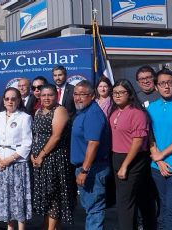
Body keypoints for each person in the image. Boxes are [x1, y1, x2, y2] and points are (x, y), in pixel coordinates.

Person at [109, 79, 155, 229]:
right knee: (129, 200)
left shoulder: (137, 113)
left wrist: (125, 166)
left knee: (124, 203)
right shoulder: (115, 111)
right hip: (117, 156)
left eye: (121, 92)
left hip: (132, 159)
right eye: (115, 93)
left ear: (129, 94)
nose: (117, 96)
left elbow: (138, 142)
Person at [30, 85, 76, 229]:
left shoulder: (60, 110)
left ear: (56, 96)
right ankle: (48, 226)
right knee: (46, 195)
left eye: (50, 95)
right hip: (39, 159)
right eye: (43, 95)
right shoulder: (38, 111)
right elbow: (36, 135)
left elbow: (56, 137)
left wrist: (41, 155)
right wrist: (33, 154)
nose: (46, 98)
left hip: (54, 159)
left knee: (55, 195)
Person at [148, 68, 172, 230]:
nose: (167, 86)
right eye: (162, 83)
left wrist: (161, 155)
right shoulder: (151, 107)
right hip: (156, 166)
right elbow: (149, 136)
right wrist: (157, 159)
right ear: (156, 87)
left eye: (170, 82)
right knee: (163, 208)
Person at [70, 80, 110, 230]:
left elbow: (93, 143)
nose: (78, 98)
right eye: (76, 94)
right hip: (86, 168)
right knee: (91, 209)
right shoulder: (83, 112)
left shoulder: (93, 114)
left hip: (93, 169)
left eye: (83, 94)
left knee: (94, 210)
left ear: (92, 96)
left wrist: (85, 170)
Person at [0, 87, 32, 230]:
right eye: (7, 98)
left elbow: (27, 143)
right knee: (7, 200)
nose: (10, 101)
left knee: (18, 199)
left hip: (17, 165)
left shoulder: (24, 117)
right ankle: (10, 227)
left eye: (13, 98)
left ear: (19, 100)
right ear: (3, 101)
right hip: (1, 165)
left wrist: (9, 159)